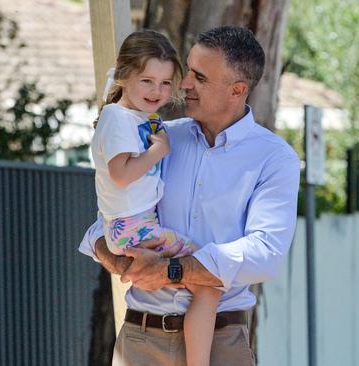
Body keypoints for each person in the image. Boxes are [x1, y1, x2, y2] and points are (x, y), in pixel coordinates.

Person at [79, 26, 300, 366]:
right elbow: (108, 219)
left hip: (221, 344)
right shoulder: (161, 139)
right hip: (140, 340)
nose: (183, 84)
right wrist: (122, 263)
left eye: (199, 77)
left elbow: (265, 254)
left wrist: (171, 271)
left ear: (237, 90)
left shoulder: (274, 158)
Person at [90, 29, 222, 366]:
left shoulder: (136, 117)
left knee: (195, 284)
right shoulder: (118, 118)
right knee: (210, 279)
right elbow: (120, 174)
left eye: (165, 83)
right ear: (124, 76)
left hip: (130, 226)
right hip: (133, 228)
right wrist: (158, 151)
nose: (158, 91)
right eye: (148, 81)